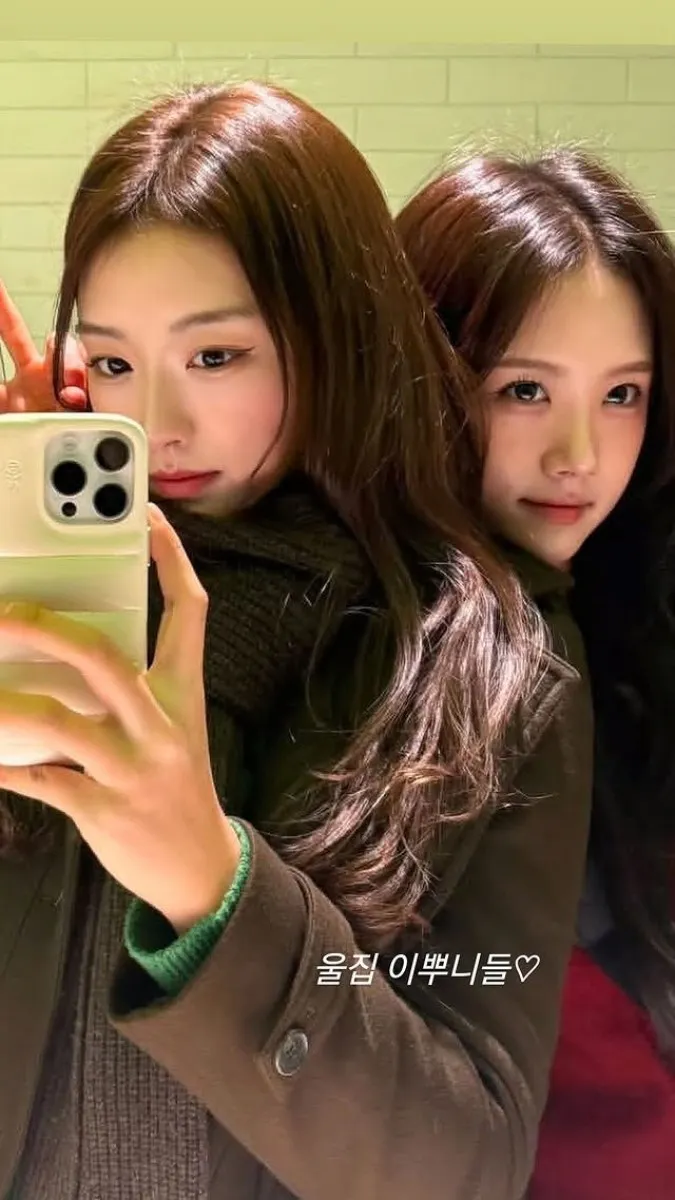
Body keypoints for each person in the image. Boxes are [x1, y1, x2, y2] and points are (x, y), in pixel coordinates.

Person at [0, 84, 592, 1200]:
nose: (154, 424)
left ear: (334, 339)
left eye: (216, 357)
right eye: (114, 363)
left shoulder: (491, 667)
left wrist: (213, 891)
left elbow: (469, 1166)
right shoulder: (66, 601)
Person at [397, 146, 675, 1200]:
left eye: (622, 394)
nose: (580, 455)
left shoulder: (637, 602)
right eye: (523, 388)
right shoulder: (353, 648)